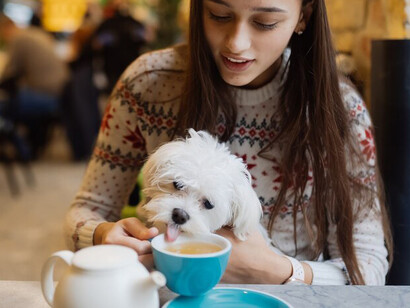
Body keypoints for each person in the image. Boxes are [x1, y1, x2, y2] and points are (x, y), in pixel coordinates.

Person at [64, 0, 392, 285]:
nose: (236, 43)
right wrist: (101, 234)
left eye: (265, 22)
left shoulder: (340, 111)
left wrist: (277, 271)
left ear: (303, 16)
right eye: (219, 14)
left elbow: (369, 267)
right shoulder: (147, 85)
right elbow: (88, 209)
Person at [0, 13, 69, 157]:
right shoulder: (37, 33)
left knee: (4, 105)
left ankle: (22, 152)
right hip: (60, 92)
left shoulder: (18, 39)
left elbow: (9, 73)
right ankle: (25, 148)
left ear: (5, 28)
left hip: (46, 96)